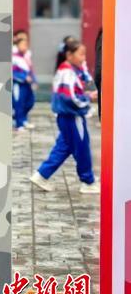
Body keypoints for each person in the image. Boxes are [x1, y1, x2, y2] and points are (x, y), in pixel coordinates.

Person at [30, 39, 100, 194]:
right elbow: (70, 98)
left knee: (63, 148)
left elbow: (86, 80)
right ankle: (88, 182)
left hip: (68, 118)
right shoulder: (67, 73)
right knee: (82, 148)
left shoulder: (74, 69)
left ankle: (41, 175)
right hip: (72, 117)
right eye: (81, 54)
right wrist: (88, 98)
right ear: (69, 55)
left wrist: (88, 82)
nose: (83, 58)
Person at [12, 36, 37, 131]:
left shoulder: (26, 56)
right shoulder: (13, 57)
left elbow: (31, 70)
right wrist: (23, 77)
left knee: (30, 102)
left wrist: (34, 81)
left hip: (27, 85)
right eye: (23, 45)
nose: (25, 47)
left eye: (26, 45)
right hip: (18, 84)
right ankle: (19, 124)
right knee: (19, 103)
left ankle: (23, 119)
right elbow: (12, 72)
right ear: (17, 45)